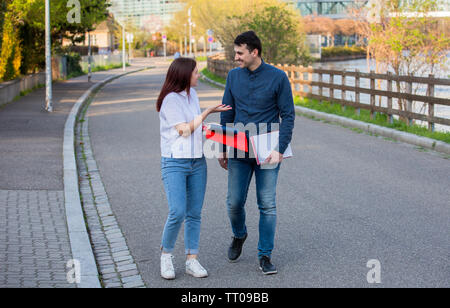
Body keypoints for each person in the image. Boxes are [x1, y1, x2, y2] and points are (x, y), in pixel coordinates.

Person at [218, 31, 295, 275]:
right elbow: (226, 114)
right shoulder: (233, 76)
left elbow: (288, 115)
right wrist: (222, 148)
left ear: (254, 52)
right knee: (234, 202)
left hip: (268, 152)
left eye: (240, 53)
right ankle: (239, 235)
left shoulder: (278, 77)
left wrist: (280, 150)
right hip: (239, 149)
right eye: (235, 52)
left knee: (267, 204)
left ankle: (264, 255)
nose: (236, 57)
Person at [157, 57, 231, 280]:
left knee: (194, 213)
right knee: (177, 211)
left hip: (197, 161)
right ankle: (166, 256)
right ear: (184, 74)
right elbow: (184, 130)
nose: (198, 75)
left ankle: (192, 259)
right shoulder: (170, 100)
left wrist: (213, 132)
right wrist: (207, 112)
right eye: (196, 72)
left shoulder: (192, 95)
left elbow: (195, 129)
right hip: (175, 162)